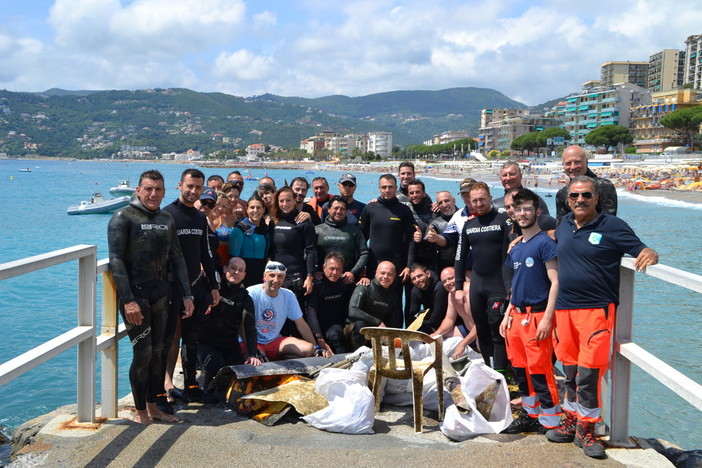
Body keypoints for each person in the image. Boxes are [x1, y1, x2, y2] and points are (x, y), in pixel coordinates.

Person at [545, 175, 658, 458]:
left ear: (596, 198)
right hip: (564, 310)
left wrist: (649, 252)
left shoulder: (612, 226)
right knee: (569, 371)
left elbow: (639, 248)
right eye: (574, 196)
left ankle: (588, 428)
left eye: (586, 195)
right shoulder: (564, 226)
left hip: (596, 311)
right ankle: (571, 421)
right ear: (568, 200)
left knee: (589, 373)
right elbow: (552, 241)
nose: (580, 200)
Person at [108, 169, 193, 425]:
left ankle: (154, 406)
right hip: (137, 298)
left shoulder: (167, 219)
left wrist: (187, 293)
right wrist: (129, 300)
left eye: (158, 190)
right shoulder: (123, 218)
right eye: (148, 189)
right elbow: (116, 261)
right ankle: (140, 412)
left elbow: (177, 258)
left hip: (162, 295)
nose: (153, 194)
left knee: (160, 351)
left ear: (165, 192)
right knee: (143, 354)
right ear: (138, 190)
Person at [499, 188, 560, 435]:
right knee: (521, 370)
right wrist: (506, 315)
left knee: (540, 370)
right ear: (512, 213)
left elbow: (556, 282)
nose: (522, 214)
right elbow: (516, 285)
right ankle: (530, 414)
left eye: (527, 209)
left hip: (538, 316)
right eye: (518, 209)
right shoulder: (515, 248)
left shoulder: (545, 243)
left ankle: (551, 421)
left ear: (537, 211)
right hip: (516, 316)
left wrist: (547, 318)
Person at [162, 168, 221, 406]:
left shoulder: (199, 218)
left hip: (196, 286)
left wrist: (214, 285)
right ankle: (165, 386)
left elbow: (207, 253)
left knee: (191, 338)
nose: (193, 191)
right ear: (180, 185)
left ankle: (192, 387)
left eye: (198, 187)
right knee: (170, 338)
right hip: (172, 288)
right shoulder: (167, 215)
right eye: (190, 186)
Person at [454, 182, 510, 375]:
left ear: (489, 198)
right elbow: (460, 257)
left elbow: (508, 256)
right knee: (482, 331)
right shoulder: (469, 225)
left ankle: (502, 375)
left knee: (497, 331)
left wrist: (509, 286)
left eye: (482, 199)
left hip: (498, 285)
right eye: (474, 200)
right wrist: (459, 286)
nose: (478, 203)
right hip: (478, 286)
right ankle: (489, 372)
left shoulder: (504, 221)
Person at [359, 174, 416, 326]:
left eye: (390, 187)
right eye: (384, 187)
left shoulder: (403, 210)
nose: (387, 190)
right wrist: (362, 268)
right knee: (371, 302)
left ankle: (396, 341)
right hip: (373, 265)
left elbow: (411, 239)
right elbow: (361, 240)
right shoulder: (370, 208)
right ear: (379, 188)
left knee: (395, 305)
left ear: (396, 188)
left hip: (397, 266)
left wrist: (408, 266)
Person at [198, 257, 262, 386]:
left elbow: (249, 328)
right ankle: (206, 378)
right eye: (233, 268)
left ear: (244, 275)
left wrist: (252, 354)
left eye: (240, 270)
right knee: (219, 369)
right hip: (205, 343)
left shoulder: (245, 299)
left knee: (238, 375)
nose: (236, 272)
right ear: (225, 269)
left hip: (229, 345)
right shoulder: (212, 288)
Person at [247, 261, 331, 360]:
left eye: (280, 276)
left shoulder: (288, 295)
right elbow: (242, 324)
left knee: (308, 349)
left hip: (274, 341)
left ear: (284, 278)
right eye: (272, 275)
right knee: (259, 358)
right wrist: (253, 349)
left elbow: (301, 324)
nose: (276, 280)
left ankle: (278, 359)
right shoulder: (251, 292)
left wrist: (316, 347)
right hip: (253, 342)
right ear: (264, 276)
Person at [270, 186, 316, 310]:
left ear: (295, 200)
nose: (285, 204)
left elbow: (310, 250)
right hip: (275, 276)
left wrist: (309, 277)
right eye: (281, 201)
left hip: (295, 277)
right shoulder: (273, 221)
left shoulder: (303, 221)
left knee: (294, 316)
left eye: (288, 200)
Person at [555, 145, 618, 222]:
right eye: (568, 163)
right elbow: (561, 226)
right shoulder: (562, 193)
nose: (573, 167)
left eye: (577, 162)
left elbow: (610, 222)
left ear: (586, 162)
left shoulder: (604, 186)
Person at [347, 261, 402, 350]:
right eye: (382, 273)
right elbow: (353, 311)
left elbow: (394, 324)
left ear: (394, 276)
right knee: (360, 325)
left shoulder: (393, 297)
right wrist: (378, 322)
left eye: (389, 274)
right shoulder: (364, 287)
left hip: (377, 334)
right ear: (376, 273)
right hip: (355, 331)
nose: (385, 277)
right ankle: (358, 356)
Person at [315, 196, 368, 286]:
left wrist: (353, 272)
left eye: (342, 209)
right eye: (336, 208)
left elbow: (364, 253)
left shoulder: (354, 231)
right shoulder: (317, 230)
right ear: (328, 209)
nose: (339, 211)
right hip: (322, 279)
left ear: (346, 211)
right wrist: (314, 271)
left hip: (347, 280)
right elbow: (308, 252)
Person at [305, 253, 350, 353]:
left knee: (336, 336)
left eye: (338, 269)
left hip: (334, 325)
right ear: (324, 267)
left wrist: (366, 279)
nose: (334, 272)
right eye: (331, 268)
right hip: (316, 327)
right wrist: (319, 337)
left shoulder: (344, 284)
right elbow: (311, 312)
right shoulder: (316, 286)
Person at [432, 267, 477, 359]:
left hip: (482, 332)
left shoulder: (472, 291)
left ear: (459, 277)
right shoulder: (451, 295)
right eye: (444, 281)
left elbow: (481, 324)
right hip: (468, 330)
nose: (448, 283)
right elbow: (449, 319)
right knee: (438, 339)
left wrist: (463, 344)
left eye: (451, 278)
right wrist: (436, 334)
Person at [229, 192, 272, 288]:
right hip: (244, 277)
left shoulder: (266, 229)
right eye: (252, 207)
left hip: (261, 276)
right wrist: (238, 280)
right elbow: (232, 258)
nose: (255, 210)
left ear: (264, 209)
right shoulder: (239, 229)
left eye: (259, 207)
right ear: (247, 210)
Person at [408, 179, 439, 272]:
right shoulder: (405, 211)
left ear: (424, 193)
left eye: (418, 192)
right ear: (408, 195)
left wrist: (440, 204)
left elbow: (451, 212)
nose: (415, 195)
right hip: (411, 260)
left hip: (432, 260)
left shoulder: (434, 209)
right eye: (411, 193)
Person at [424, 190, 459, 272]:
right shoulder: (435, 222)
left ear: (454, 200)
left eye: (447, 201)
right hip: (444, 268)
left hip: (466, 265)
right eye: (440, 203)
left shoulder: (465, 217)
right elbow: (425, 243)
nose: (444, 205)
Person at [408, 264, 447, 334]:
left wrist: (418, 321)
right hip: (430, 321)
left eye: (419, 276)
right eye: (413, 279)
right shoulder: (415, 291)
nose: (417, 280)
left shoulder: (439, 288)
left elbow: (435, 321)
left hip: (445, 321)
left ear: (428, 274)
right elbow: (412, 318)